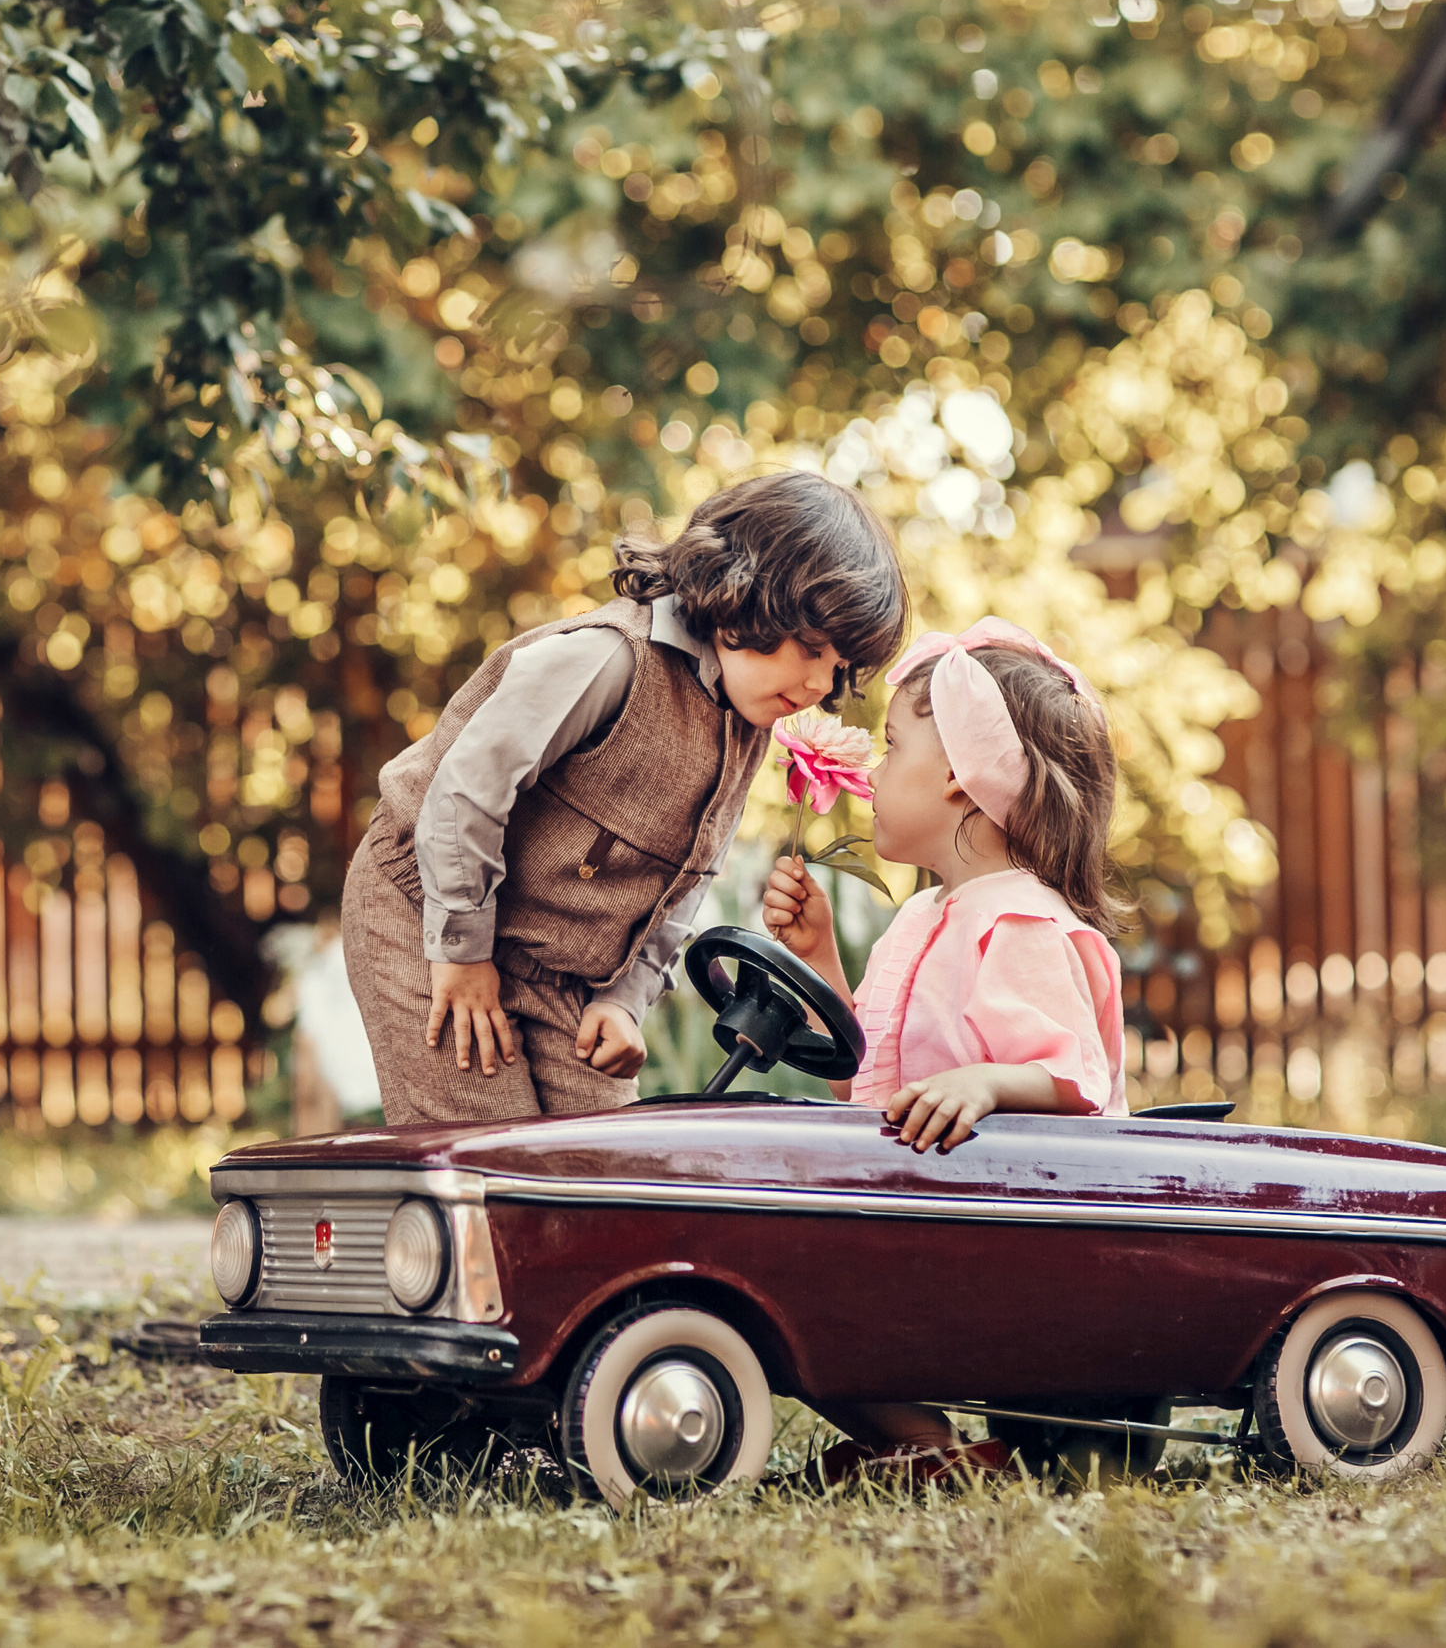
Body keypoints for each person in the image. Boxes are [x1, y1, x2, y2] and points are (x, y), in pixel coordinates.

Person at [340, 473, 907, 1125]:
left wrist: (624, 996)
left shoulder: (748, 724)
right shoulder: (608, 659)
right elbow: (466, 792)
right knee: (488, 1158)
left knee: (603, 1161)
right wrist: (462, 952)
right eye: (810, 648)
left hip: (563, 969)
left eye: (837, 667)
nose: (817, 682)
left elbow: (689, 875)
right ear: (743, 593)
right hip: (429, 908)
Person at [759, 615, 1130, 1486]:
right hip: (917, 1215)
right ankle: (931, 1450)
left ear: (963, 779)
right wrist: (819, 958)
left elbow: (1077, 1079)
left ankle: (926, 1445)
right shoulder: (921, 917)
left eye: (891, 749)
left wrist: (988, 1082)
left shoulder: (1020, 921)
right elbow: (869, 1080)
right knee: (777, 1280)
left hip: (1003, 1241)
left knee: (794, 1285)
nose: (873, 772)